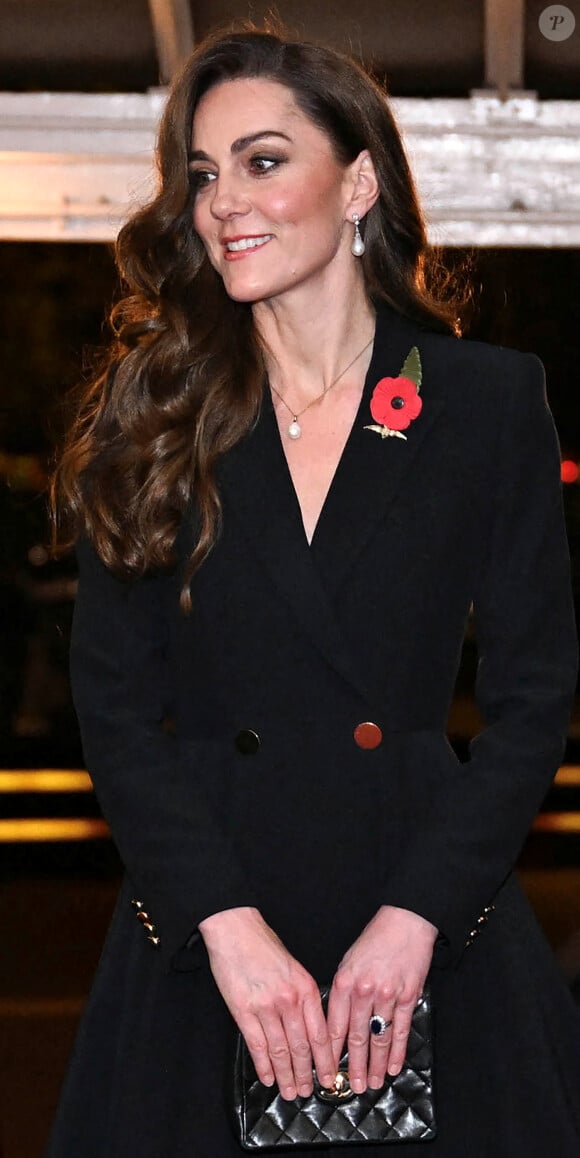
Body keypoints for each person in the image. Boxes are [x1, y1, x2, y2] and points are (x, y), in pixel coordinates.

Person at [45, 25, 580, 1158]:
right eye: (202, 172)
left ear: (359, 183)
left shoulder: (484, 405)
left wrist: (418, 917)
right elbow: (118, 715)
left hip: (428, 915)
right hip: (207, 930)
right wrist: (227, 931)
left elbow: (536, 697)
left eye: (263, 159)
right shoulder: (152, 416)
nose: (222, 200)